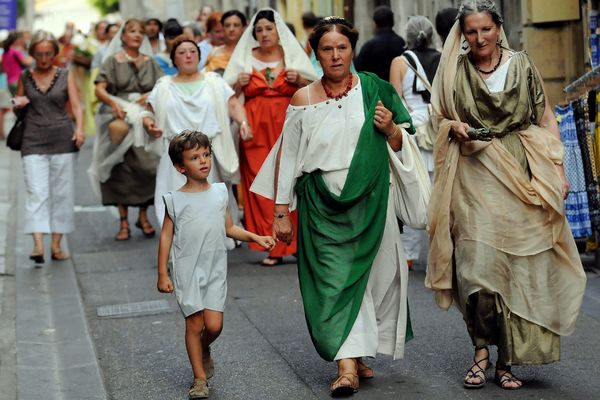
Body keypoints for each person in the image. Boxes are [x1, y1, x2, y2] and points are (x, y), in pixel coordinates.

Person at [251, 17, 429, 396]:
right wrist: (281, 212)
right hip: (321, 203)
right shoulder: (303, 99)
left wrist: (392, 131)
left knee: (369, 279)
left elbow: (408, 137)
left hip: (371, 198)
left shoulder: (375, 89)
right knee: (333, 283)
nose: (335, 55)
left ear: (352, 49)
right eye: (327, 49)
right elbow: (288, 156)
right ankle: (345, 365)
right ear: (316, 54)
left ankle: (358, 353)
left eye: (342, 48)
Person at [426, 0, 587, 390]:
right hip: (474, 172)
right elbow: (436, 119)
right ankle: (481, 350)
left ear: (498, 28)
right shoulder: (454, 69)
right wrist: (454, 126)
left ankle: (506, 361)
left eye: (486, 29)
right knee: (477, 265)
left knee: (518, 268)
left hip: (520, 167)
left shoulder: (522, 64)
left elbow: (544, 117)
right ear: (462, 34)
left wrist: (559, 173)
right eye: (471, 31)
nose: (479, 38)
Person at [157, 130, 275, 399]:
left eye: (206, 155)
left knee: (214, 326)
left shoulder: (221, 193)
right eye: (195, 157)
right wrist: (163, 273)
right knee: (194, 324)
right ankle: (199, 379)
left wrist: (256, 236)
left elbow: (230, 228)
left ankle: (204, 348)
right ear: (180, 166)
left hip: (215, 269)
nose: (203, 161)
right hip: (187, 270)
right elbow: (166, 237)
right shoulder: (175, 200)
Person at [223, 8, 317, 266]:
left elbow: (314, 90)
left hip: (288, 126)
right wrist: (241, 114)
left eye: (269, 29)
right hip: (254, 129)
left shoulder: (293, 58)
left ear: (279, 31)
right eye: (259, 30)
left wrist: (299, 80)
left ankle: (296, 241)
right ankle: (271, 243)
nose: (264, 34)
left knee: (291, 181)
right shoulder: (245, 59)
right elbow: (228, 97)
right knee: (260, 184)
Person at [142, 35, 251, 228]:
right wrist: (149, 124)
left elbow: (232, 104)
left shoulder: (213, 81)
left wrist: (243, 123)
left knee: (210, 201)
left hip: (207, 153)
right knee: (178, 202)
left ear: (199, 56)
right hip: (176, 155)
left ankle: (216, 237)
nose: (188, 56)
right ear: (174, 59)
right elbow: (148, 113)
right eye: (182, 53)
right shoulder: (164, 85)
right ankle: (179, 241)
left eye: (193, 52)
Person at [89, 19, 164, 241]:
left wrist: (151, 95)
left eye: (140, 32)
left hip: (143, 116)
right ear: (123, 36)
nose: (137, 35)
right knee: (119, 169)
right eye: (132, 31)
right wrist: (113, 103)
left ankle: (143, 216)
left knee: (148, 167)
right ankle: (123, 222)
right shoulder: (112, 61)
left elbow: (163, 85)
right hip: (119, 117)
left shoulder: (150, 62)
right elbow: (100, 89)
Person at [13, 30, 84, 263]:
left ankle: (55, 244)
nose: (44, 59)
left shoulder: (65, 75)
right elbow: (18, 106)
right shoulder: (25, 76)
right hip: (32, 139)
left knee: (62, 194)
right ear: (32, 53)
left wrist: (80, 129)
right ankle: (37, 245)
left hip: (62, 139)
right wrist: (18, 104)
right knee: (37, 192)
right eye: (39, 54)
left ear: (55, 53)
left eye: (48, 54)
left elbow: (76, 104)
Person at [389, 15, 441, 269]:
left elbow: (394, 100)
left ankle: (409, 254)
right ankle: (439, 254)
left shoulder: (400, 62)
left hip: (413, 132)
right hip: (440, 130)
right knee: (440, 195)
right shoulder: (443, 58)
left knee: (412, 192)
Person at [354, 6, 405, 81]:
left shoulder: (369, 45)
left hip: (375, 90)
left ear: (375, 23)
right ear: (393, 22)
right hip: (397, 89)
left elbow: (357, 68)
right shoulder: (401, 43)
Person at [203, 10, 247, 75]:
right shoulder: (215, 53)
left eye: (236, 25)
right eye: (227, 25)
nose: (231, 29)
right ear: (223, 28)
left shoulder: (251, 52)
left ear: (243, 28)